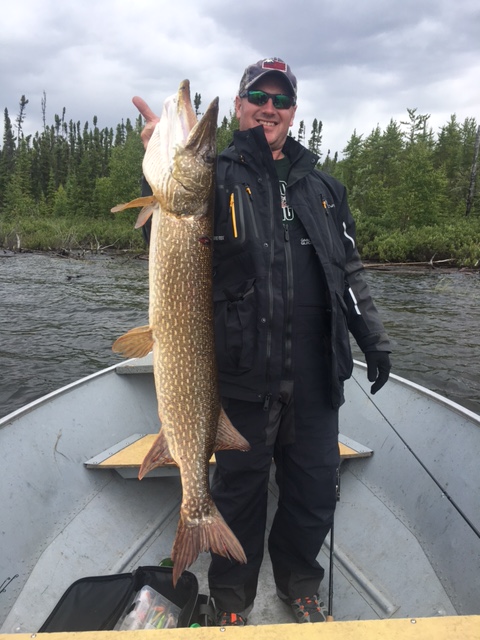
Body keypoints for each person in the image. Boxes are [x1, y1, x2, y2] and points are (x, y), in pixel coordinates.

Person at [134, 57, 392, 626]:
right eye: (258, 96)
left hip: (316, 373)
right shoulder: (216, 175)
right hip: (243, 369)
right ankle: (232, 600)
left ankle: (300, 583)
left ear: (293, 111)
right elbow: (168, 230)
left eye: (280, 100)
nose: (268, 108)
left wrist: (372, 339)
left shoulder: (325, 188)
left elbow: (348, 269)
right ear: (241, 103)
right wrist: (154, 162)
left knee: (313, 491)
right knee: (240, 491)